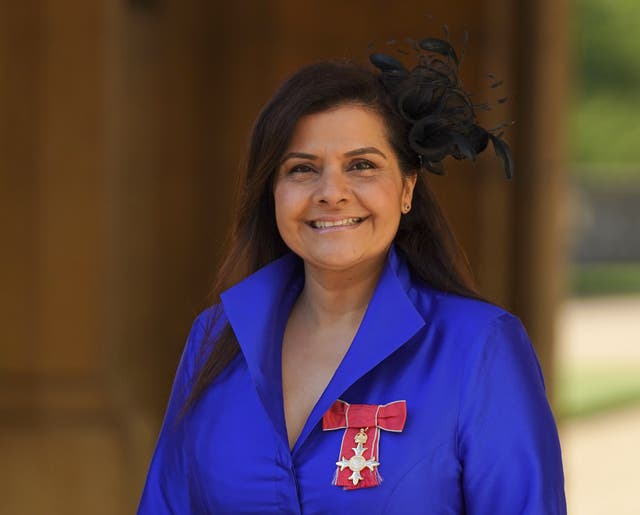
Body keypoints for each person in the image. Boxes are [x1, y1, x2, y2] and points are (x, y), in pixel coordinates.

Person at [138, 38, 566, 514]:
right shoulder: (214, 339)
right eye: (302, 169)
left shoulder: (480, 346)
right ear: (272, 193)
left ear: (406, 188)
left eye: (362, 165)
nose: (331, 193)